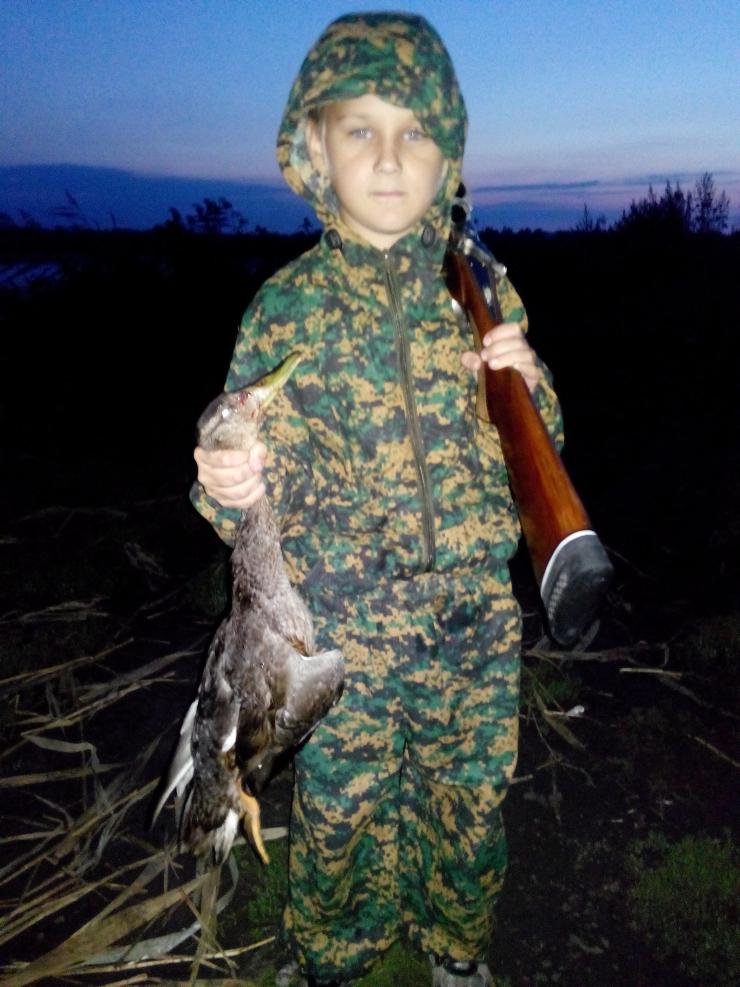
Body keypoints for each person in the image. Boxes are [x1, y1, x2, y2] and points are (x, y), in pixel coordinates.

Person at [191, 12, 562, 987]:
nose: (389, 159)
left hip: (472, 625)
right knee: (342, 809)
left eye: (415, 132)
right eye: (360, 130)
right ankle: (336, 959)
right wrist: (223, 482)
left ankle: (454, 953)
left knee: (467, 802)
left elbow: (539, 459)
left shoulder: (482, 290)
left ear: (449, 154)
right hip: (340, 633)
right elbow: (237, 489)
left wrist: (529, 386)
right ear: (314, 147)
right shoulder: (285, 309)